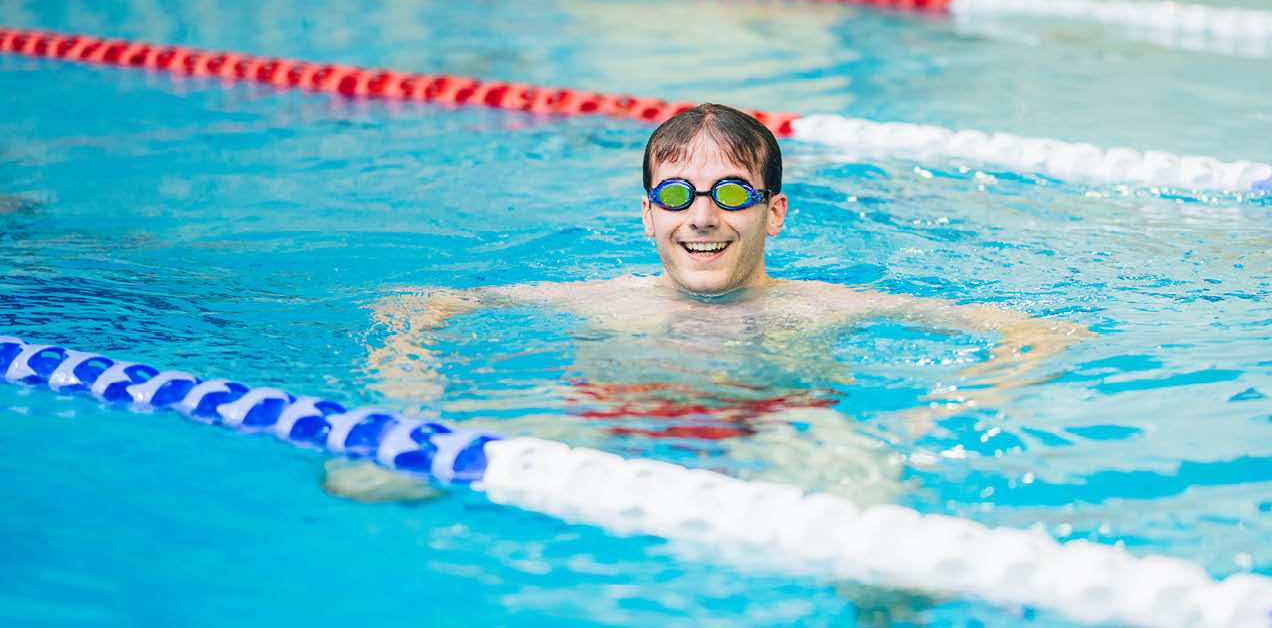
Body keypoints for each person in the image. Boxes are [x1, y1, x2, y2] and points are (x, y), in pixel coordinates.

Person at [329, 103, 1087, 502]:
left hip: (778, 430)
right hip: (602, 418)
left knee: (880, 550)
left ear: (774, 212)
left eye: (730, 193)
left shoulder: (823, 306)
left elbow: (1039, 331)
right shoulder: (598, 297)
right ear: (648, 213)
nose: (701, 218)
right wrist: (410, 387)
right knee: (367, 476)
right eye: (676, 196)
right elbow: (418, 304)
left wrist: (928, 419)